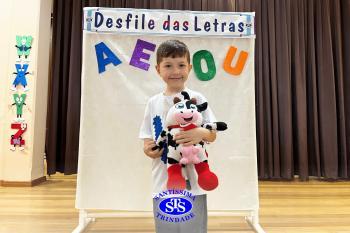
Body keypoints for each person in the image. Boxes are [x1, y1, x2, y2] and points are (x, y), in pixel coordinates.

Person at [139, 39, 218, 233]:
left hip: (194, 176)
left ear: (189, 68)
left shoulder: (198, 99)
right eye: (168, 65)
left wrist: (200, 132)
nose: (175, 71)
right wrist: (149, 149)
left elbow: (212, 134)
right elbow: (147, 136)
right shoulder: (153, 103)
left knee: (193, 226)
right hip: (164, 176)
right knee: (167, 225)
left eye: (181, 65)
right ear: (158, 69)